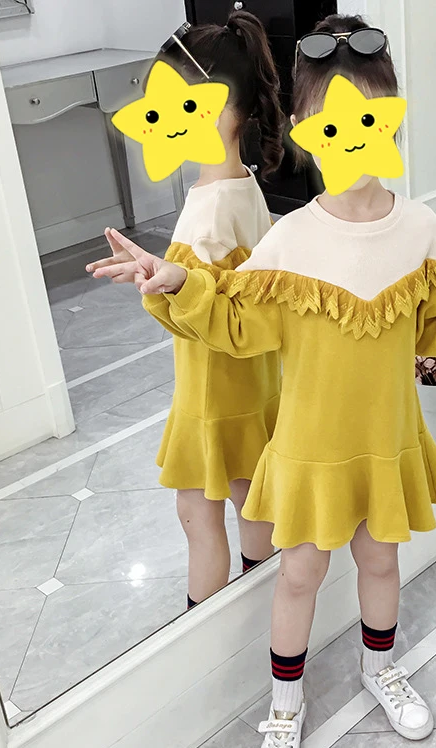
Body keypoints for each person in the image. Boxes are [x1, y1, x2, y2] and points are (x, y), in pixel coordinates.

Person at [102, 14, 436, 748]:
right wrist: (177, 282)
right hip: (310, 449)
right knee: (299, 576)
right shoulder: (290, 240)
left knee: (380, 561)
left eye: (368, 119)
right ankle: (284, 708)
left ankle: (380, 668)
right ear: (306, 130)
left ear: (391, 121)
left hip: (385, 441)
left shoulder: (421, 230)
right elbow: (237, 326)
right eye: (332, 123)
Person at [86, 11, 285, 608]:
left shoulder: (205, 212)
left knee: (198, 515)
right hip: (251, 382)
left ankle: (208, 632)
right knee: (251, 499)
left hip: (211, 391)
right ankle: (263, 602)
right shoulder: (244, 187)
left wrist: (156, 284)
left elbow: (200, 315)